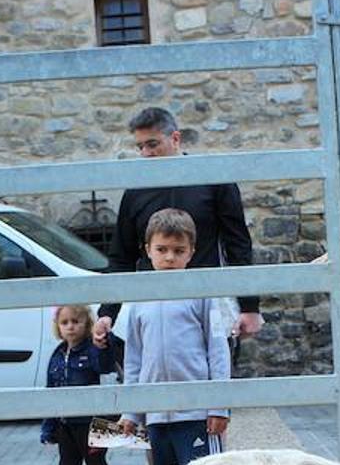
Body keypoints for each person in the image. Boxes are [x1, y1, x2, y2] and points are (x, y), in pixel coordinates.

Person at [93, 107, 262, 360]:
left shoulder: (215, 180)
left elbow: (237, 245)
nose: (146, 154)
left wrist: (249, 307)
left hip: (207, 304)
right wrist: (107, 313)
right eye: (140, 147)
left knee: (212, 388)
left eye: (152, 144)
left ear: (175, 138)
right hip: (153, 308)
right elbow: (122, 256)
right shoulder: (135, 191)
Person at [119, 208, 231, 465]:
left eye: (178, 250)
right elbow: (133, 359)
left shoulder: (202, 294)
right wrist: (132, 410)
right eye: (162, 249)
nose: (169, 257)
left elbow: (218, 350)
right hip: (155, 418)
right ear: (148, 250)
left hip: (197, 415)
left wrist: (219, 406)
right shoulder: (139, 300)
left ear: (191, 252)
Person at [40, 304, 115, 465]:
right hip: (66, 425)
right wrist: (48, 428)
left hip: (92, 424)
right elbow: (51, 392)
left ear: (86, 323)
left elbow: (105, 366)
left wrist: (104, 344)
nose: (70, 327)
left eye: (76, 321)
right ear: (58, 326)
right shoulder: (57, 354)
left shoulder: (93, 349)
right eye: (64, 322)